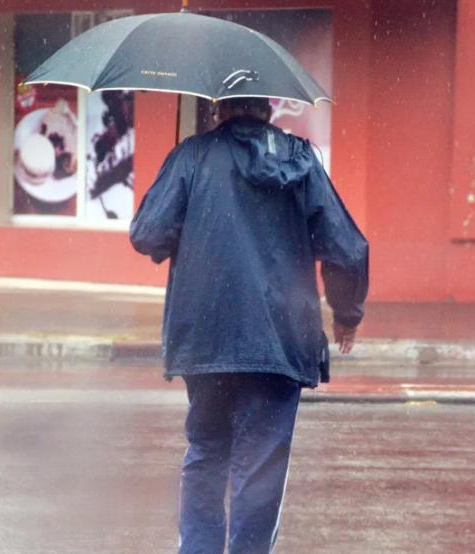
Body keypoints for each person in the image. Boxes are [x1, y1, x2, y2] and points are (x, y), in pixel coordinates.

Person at [129, 97, 368, 554]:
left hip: (205, 339)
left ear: (218, 107)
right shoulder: (300, 160)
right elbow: (346, 247)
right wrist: (346, 313)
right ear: (267, 110)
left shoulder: (191, 157)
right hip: (280, 341)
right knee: (260, 468)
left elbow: (147, 233)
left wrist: (186, 214)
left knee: (206, 454)